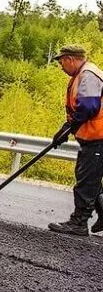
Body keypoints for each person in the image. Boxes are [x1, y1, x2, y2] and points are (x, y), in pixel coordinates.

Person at [48, 45, 103, 236]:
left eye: (61, 62)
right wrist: (66, 127)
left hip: (98, 136)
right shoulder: (84, 74)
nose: (61, 67)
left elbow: (89, 107)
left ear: (70, 59)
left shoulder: (87, 75)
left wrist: (70, 127)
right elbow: (81, 110)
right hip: (93, 136)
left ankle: (79, 223)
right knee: (90, 178)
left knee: (86, 180)